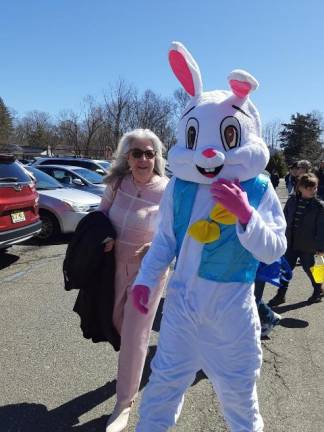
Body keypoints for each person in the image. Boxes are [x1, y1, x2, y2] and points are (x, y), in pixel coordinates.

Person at [132, 42, 286, 432]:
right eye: (197, 135)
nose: (210, 151)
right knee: (163, 387)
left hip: (231, 311)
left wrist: (245, 215)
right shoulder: (180, 188)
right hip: (182, 305)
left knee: (238, 397)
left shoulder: (258, 188)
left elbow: (274, 251)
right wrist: (146, 280)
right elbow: (165, 241)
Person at [99, 129, 169, 432]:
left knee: (134, 334)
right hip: (114, 267)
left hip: (149, 275)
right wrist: (102, 236)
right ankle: (130, 371)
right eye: (137, 153)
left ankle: (123, 404)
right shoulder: (117, 184)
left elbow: (176, 234)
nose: (143, 159)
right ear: (127, 157)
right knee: (116, 322)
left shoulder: (169, 189)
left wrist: (155, 249)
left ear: (157, 157)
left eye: (149, 153)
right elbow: (100, 215)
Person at [268, 173, 324, 306]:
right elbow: (283, 219)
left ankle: (318, 291)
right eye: (308, 188)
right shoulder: (292, 201)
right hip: (290, 242)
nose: (312, 191)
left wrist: (320, 247)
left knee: (310, 269)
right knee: (285, 270)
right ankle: (280, 295)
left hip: (308, 245)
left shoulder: (319, 206)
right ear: (300, 188)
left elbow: (322, 228)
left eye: (314, 188)